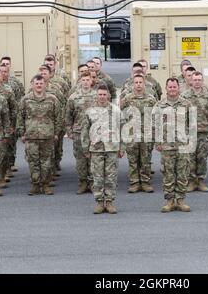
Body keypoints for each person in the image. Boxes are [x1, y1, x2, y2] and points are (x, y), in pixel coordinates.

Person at [81, 85, 124, 214]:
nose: (102, 97)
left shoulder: (116, 110)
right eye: (100, 94)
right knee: (97, 177)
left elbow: (123, 129)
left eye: (104, 94)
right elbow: (84, 130)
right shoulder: (89, 111)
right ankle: (99, 202)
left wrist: (122, 147)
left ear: (108, 96)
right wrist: (85, 148)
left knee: (111, 177)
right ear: (96, 95)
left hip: (112, 147)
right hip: (96, 147)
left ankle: (109, 202)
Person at [16, 74, 62, 195]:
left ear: (45, 85)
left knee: (47, 162)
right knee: (33, 161)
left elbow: (58, 117)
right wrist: (22, 133)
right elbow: (20, 117)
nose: (39, 86)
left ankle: (46, 185)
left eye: (41, 83)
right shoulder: (26, 99)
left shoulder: (52, 99)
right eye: (37, 83)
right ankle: (36, 185)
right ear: (32, 84)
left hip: (47, 135)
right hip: (31, 136)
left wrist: (56, 133)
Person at [153, 78, 192, 213]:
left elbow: (192, 125)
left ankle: (180, 200)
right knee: (168, 174)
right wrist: (157, 142)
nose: (172, 89)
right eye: (170, 87)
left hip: (183, 145)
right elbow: (154, 125)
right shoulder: (159, 105)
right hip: (167, 145)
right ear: (166, 88)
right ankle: (169, 201)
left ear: (178, 88)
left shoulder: (186, 104)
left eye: (174, 87)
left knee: (182, 173)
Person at [121, 74, 157, 193]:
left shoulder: (151, 99)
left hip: (147, 135)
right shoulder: (127, 99)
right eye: (136, 82)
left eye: (140, 82)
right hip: (131, 135)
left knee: (146, 160)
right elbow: (119, 115)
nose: (138, 85)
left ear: (144, 84)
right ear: (133, 84)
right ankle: (134, 182)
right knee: (133, 160)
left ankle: (145, 182)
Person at [181, 71, 208, 192]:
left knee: (202, 157)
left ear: (202, 81)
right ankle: (191, 181)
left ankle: (200, 181)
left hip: (203, 131)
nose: (197, 82)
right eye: (195, 80)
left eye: (199, 80)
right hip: (189, 132)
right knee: (190, 157)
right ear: (191, 81)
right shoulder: (185, 95)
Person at [66, 72, 97, 194]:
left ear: (91, 81)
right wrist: (69, 130)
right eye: (83, 79)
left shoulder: (96, 96)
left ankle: (93, 183)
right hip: (79, 132)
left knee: (94, 158)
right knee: (80, 159)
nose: (85, 82)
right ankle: (83, 182)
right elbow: (68, 115)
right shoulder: (74, 97)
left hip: (94, 132)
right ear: (80, 81)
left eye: (87, 79)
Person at [0, 58, 25, 172]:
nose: (5, 67)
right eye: (3, 65)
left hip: (11, 117)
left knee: (11, 141)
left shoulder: (15, 82)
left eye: (7, 65)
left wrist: (17, 119)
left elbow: (21, 97)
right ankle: (3, 168)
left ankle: (11, 162)